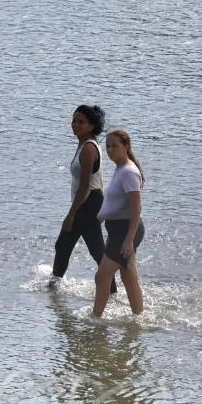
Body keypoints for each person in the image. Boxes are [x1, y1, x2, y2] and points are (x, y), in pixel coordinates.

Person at [51, 105, 114, 294]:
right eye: (74, 121)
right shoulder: (84, 144)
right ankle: (111, 290)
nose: (75, 125)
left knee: (68, 245)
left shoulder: (88, 149)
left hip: (89, 202)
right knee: (92, 249)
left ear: (91, 126)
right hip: (89, 201)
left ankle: (54, 286)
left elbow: (85, 186)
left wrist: (71, 215)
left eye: (81, 122)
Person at [92, 129, 146, 317]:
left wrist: (129, 241)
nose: (110, 150)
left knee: (102, 277)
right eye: (107, 146)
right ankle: (138, 318)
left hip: (126, 230)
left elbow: (136, 209)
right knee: (128, 277)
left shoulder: (129, 172)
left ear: (126, 146)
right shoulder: (121, 168)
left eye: (115, 146)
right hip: (117, 230)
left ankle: (96, 319)